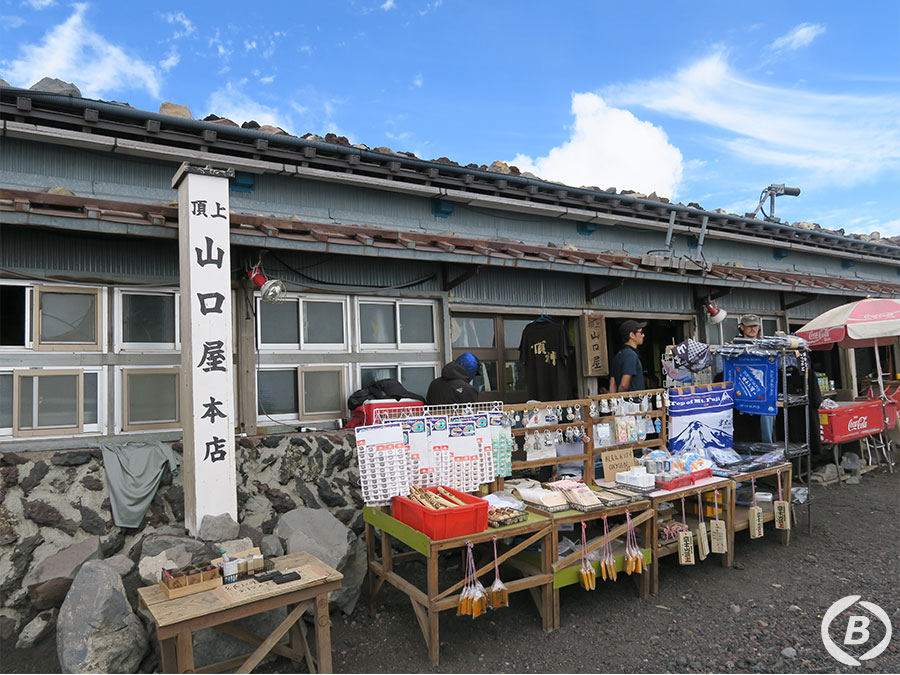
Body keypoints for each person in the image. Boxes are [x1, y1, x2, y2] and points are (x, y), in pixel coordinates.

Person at [736, 314, 775, 444]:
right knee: (743, 425)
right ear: (742, 327)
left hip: (764, 389)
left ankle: (768, 447)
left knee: (766, 417)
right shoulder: (735, 346)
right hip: (743, 388)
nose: (753, 329)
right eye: (749, 326)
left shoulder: (766, 345)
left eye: (755, 326)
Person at [609, 319, 647, 393]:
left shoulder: (618, 355)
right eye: (641, 332)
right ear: (632, 335)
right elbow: (624, 385)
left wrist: (614, 398)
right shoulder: (630, 355)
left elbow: (612, 382)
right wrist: (622, 396)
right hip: (632, 399)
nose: (643, 335)